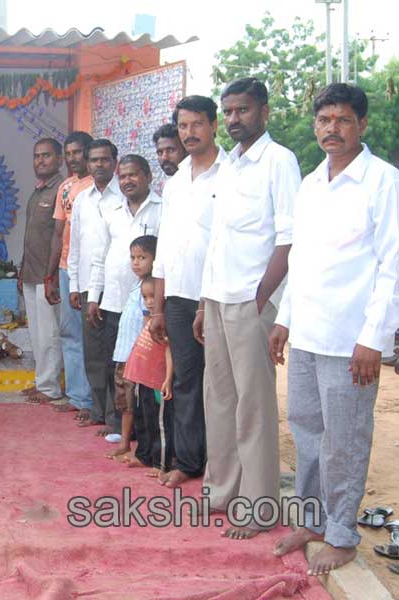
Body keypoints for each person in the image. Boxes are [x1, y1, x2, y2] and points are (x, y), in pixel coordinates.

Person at [270, 83, 399, 575]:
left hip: (352, 339)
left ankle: (342, 534)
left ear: (361, 124)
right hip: (306, 333)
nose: (332, 129)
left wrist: (374, 337)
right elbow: (301, 259)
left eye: (343, 120)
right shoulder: (311, 184)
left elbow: (392, 264)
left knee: (344, 438)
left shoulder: (382, 182)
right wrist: (284, 319)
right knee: (306, 432)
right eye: (324, 121)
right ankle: (311, 519)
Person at [195, 77, 301, 540]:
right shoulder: (229, 166)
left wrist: (263, 302)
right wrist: (203, 302)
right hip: (217, 298)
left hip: (250, 303)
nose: (235, 119)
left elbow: (289, 238)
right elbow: (217, 243)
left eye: (243, 111)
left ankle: (259, 506)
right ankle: (221, 491)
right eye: (230, 111)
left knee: (254, 406)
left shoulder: (279, 161)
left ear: (264, 112)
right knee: (218, 400)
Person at [149, 95, 228, 489]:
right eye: (183, 126)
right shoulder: (175, 182)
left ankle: (226, 464)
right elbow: (163, 250)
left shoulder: (232, 174)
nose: (189, 133)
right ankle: (188, 460)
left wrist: (204, 300)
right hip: (177, 297)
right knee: (185, 381)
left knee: (223, 382)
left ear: (214, 125)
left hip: (218, 296)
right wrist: (158, 309)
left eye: (197, 124)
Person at [87, 151, 162, 438]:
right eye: (124, 176)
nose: (128, 180)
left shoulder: (162, 209)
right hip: (115, 300)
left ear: (148, 176)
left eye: (134, 174)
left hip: (147, 305)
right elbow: (99, 257)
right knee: (116, 365)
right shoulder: (112, 211)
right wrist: (94, 296)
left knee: (146, 367)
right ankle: (119, 425)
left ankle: (147, 432)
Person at [68, 138, 124, 431]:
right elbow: (75, 246)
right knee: (93, 352)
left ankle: (118, 417)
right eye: (94, 160)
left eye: (104, 159)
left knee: (115, 352)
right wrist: (74, 286)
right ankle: (98, 410)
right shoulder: (81, 200)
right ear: (87, 165)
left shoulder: (124, 194)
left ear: (114, 162)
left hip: (117, 286)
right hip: (89, 286)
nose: (99, 165)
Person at [43, 131, 95, 418]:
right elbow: (58, 233)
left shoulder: (99, 185)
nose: (74, 158)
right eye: (70, 153)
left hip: (93, 271)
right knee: (70, 333)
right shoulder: (65, 187)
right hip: (66, 270)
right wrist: (50, 274)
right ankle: (78, 397)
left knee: (92, 337)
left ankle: (94, 402)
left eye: (79, 152)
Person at [18, 138, 64, 405]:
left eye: (46, 156)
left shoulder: (62, 190)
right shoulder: (37, 192)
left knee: (49, 333)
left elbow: (61, 237)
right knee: (37, 334)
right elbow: (30, 237)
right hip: (31, 275)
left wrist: (52, 276)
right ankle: (41, 382)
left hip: (49, 277)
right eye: (36, 156)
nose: (40, 161)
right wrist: (22, 269)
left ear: (59, 159)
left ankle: (49, 387)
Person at [105, 234, 157, 461]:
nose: (136, 262)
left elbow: (148, 323)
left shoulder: (151, 288)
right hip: (123, 354)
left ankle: (142, 450)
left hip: (138, 357)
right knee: (125, 403)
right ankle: (125, 443)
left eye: (142, 257)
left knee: (140, 406)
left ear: (155, 260)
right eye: (133, 257)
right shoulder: (137, 285)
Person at [129, 276, 174, 477]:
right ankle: (144, 456)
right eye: (145, 297)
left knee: (160, 423)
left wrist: (168, 379)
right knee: (144, 418)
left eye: (152, 297)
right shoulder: (149, 319)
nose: (148, 301)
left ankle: (161, 463)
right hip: (142, 377)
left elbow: (169, 351)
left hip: (157, 380)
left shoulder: (165, 323)